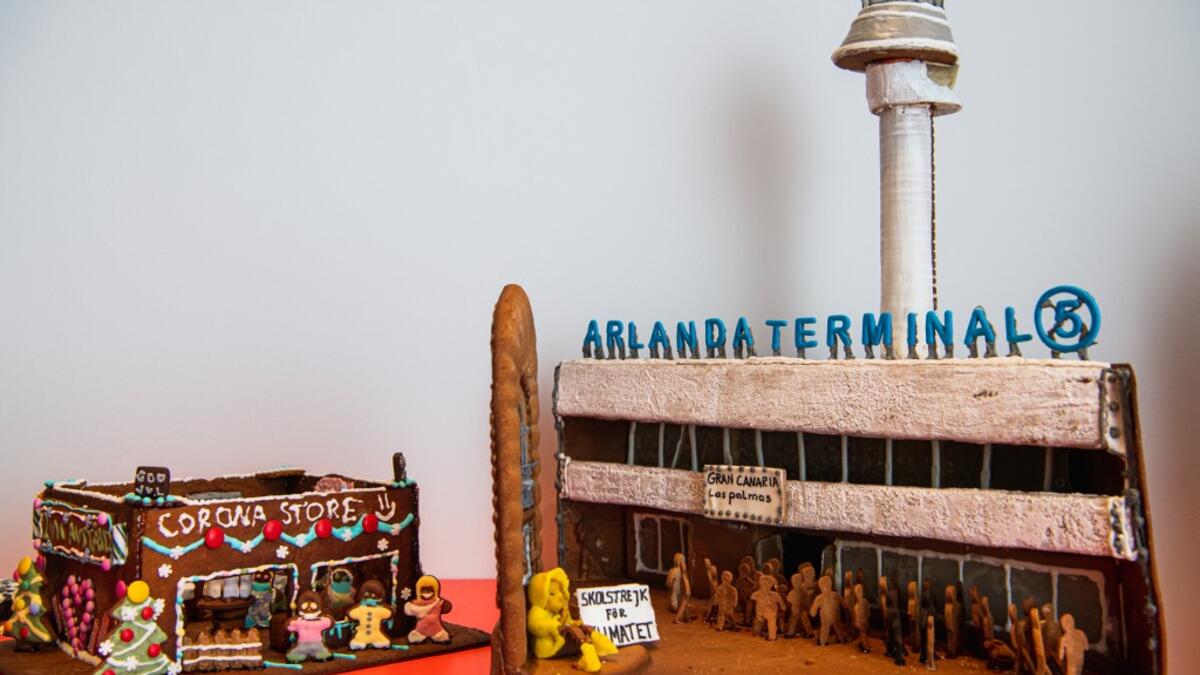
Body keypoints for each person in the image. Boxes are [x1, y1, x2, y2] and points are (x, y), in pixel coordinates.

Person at [526, 567, 618, 673]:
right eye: (552, 594)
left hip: (563, 644)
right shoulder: (537, 611)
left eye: (561, 592)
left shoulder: (562, 611)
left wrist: (576, 625)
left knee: (584, 629)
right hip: (549, 648)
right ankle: (590, 659)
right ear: (540, 596)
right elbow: (535, 625)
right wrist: (557, 627)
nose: (561, 596)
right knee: (576, 632)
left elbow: (568, 622)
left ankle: (599, 646)